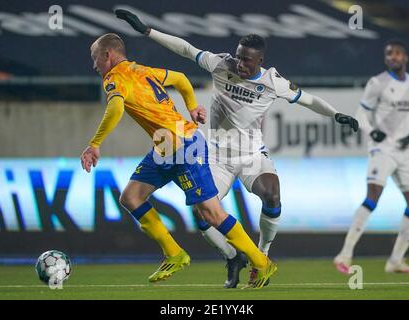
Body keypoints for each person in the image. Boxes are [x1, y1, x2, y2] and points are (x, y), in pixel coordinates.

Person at [114, 10, 359, 288]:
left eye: (247, 60)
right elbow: (186, 48)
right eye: (239, 56)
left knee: (272, 195)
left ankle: (262, 255)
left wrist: (336, 114)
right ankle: (232, 257)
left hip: (252, 155)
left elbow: (308, 99)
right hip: (217, 156)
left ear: (260, 62)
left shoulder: (272, 82)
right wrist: (147, 30)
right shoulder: (221, 64)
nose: (240, 63)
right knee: (203, 213)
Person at [81, 33, 277, 289]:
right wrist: (193, 107)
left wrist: (94, 144)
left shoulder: (115, 77)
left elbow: (116, 108)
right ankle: (174, 253)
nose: (94, 65)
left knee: (211, 213)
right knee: (131, 197)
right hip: (165, 146)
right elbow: (182, 79)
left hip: (184, 146)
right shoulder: (142, 70)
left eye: (95, 58)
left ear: (107, 55)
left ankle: (261, 263)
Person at [334, 40, 409, 274]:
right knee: (373, 198)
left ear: (405, 57)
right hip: (382, 148)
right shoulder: (377, 83)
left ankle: (395, 261)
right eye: (388, 55)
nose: (392, 57)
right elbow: (361, 114)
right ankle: (344, 254)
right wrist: (372, 130)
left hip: (405, 152)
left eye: (397, 53)